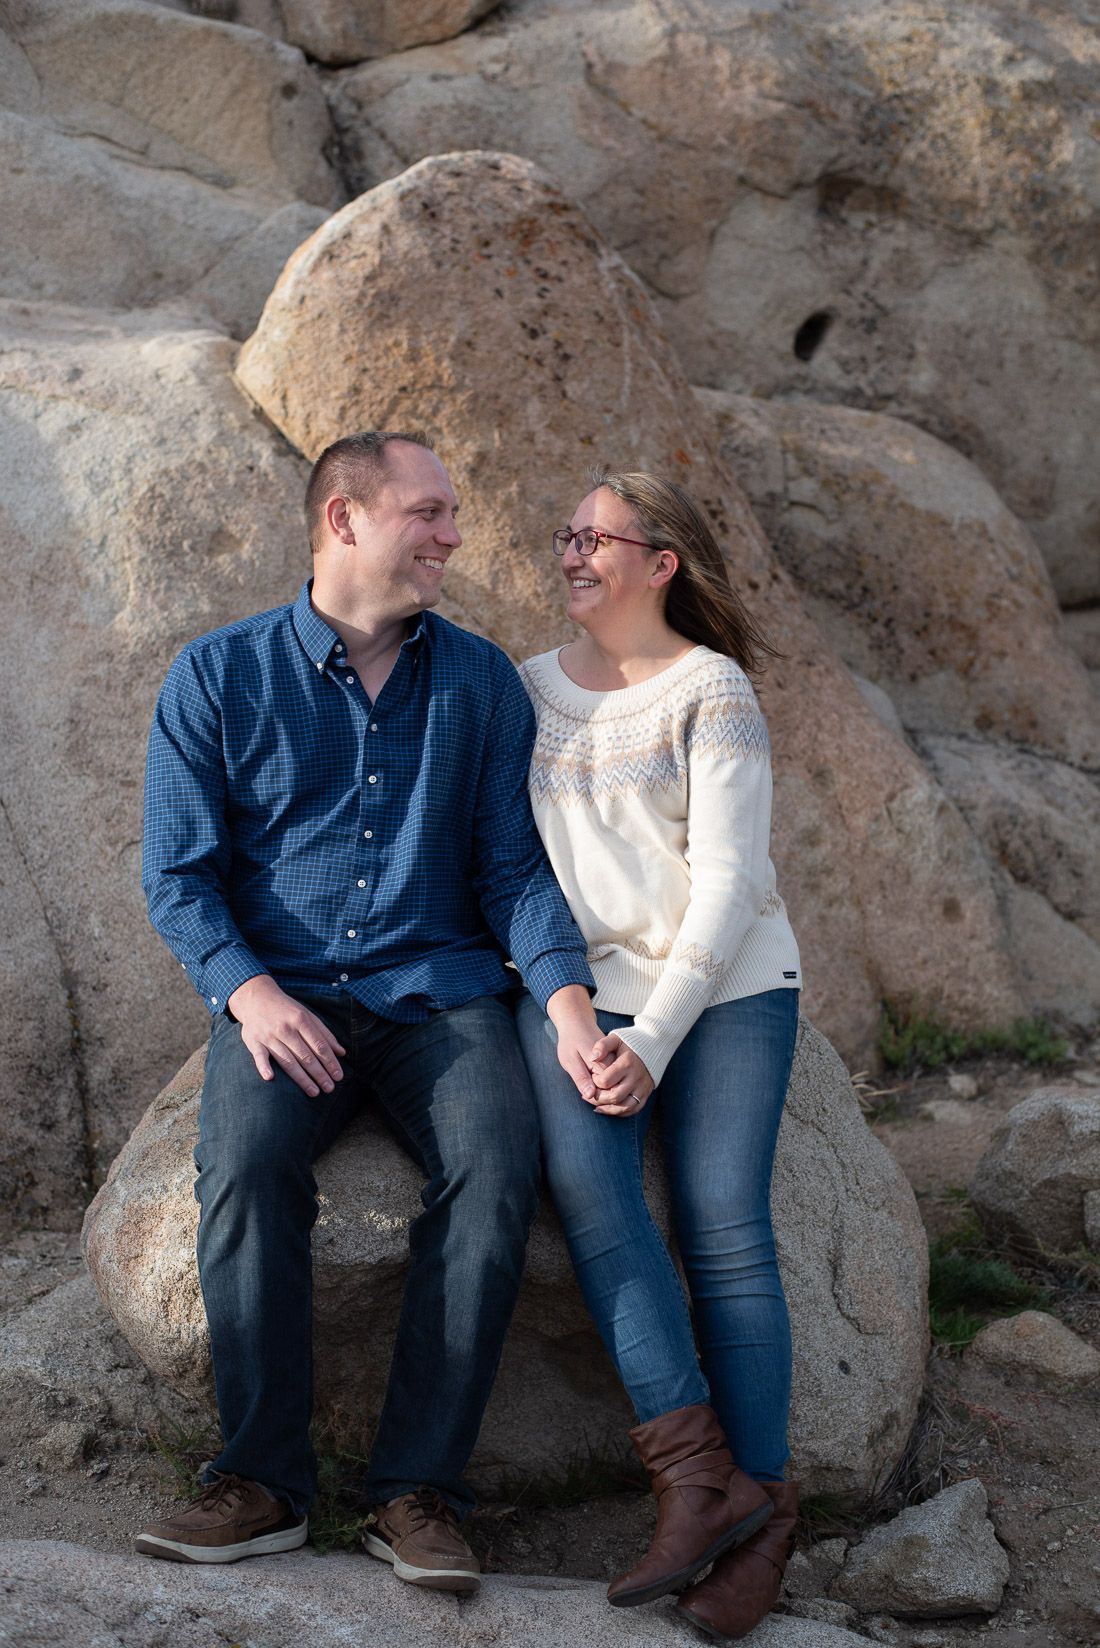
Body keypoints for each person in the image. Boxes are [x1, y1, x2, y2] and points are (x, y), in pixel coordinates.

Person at [137, 430, 601, 1590]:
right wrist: (246, 993)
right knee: (243, 1170)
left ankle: (416, 1491)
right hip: (282, 996)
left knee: (495, 1172)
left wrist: (569, 1005)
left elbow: (511, 871)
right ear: (344, 520)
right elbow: (177, 874)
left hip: (438, 995)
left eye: (450, 514)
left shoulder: (480, 680)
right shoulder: (216, 675)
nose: (453, 534)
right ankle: (258, 1482)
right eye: (428, 512)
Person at [515, 469, 804, 1639]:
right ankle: (698, 1483)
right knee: (589, 1186)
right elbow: (511, 867)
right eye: (566, 534)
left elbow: (731, 887)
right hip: (581, 997)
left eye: (595, 537)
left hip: (724, 987)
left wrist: (659, 1034)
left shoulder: (711, 690)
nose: (571, 552)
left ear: (660, 561)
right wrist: (575, 1013)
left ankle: (768, 1514)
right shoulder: (523, 689)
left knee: (724, 1223)